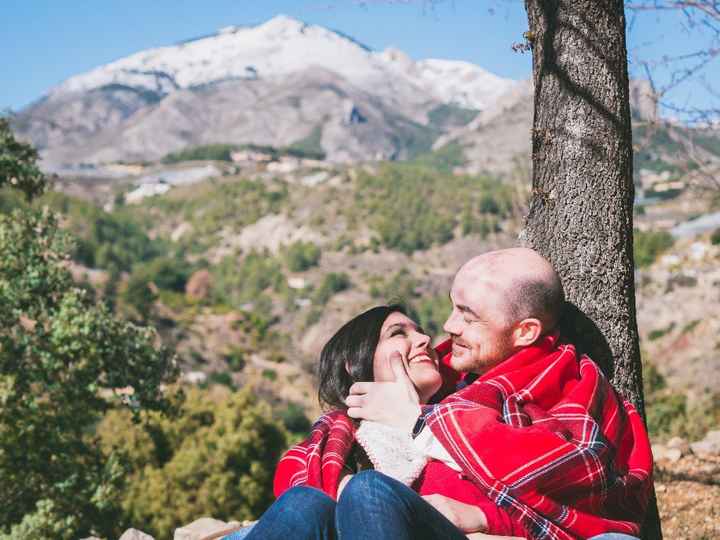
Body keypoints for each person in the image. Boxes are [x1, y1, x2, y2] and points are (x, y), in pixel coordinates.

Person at [343, 248, 653, 540]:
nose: (448, 327)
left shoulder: (571, 386)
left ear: (524, 332)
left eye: (468, 317)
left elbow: (578, 472)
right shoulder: (446, 375)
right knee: (307, 500)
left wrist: (416, 422)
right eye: (453, 308)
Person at [229, 304, 526, 540]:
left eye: (421, 332)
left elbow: (541, 511)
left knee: (367, 489)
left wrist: (481, 516)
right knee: (304, 504)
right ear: (355, 362)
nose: (424, 340)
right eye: (399, 333)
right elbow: (294, 494)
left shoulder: (478, 411)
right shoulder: (333, 444)